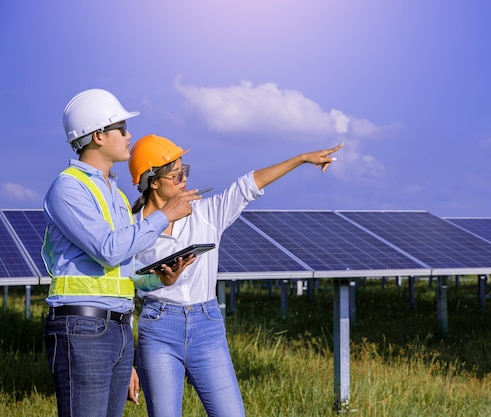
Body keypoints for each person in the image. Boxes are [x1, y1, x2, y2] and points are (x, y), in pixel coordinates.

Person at [128, 134, 344, 417]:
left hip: (207, 327)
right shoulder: (132, 229)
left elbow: (248, 185)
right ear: (153, 181)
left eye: (185, 170)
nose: (184, 178)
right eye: (176, 174)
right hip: (157, 329)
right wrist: (127, 362)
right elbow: (125, 287)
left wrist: (301, 159)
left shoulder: (205, 213)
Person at [42, 89, 200, 417]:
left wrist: (158, 279)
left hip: (117, 329)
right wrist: (165, 214)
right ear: (98, 135)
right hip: (82, 329)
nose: (130, 136)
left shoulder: (114, 193)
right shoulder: (68, 187)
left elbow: (122, 274)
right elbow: (109, 251)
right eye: (122, 128)